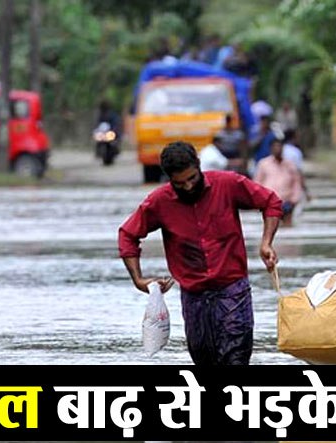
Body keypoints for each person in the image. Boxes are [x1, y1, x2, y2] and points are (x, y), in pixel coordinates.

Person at [118, 141, 283, 366]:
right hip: (194, 297)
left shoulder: (227, 184)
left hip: (232, 290)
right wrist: (138, 279)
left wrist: (266, 243)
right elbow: (128, 234)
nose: (187, 187)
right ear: (169, 179)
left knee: (236, 358)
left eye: (192, 179)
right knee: (204, 359)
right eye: (179, 183)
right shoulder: (159, 202)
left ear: (198, 165)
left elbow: (271, 202)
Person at [254, 138, 303, 227]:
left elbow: (296, 182)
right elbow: (257, 183)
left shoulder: (290, 165)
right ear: (270, 149)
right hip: (269, 202)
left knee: (288, 226)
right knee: (270, 227)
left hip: (287, 201)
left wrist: (294, 199)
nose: (277, 149)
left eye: (279, 146)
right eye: (275, 147)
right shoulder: (263, 164)